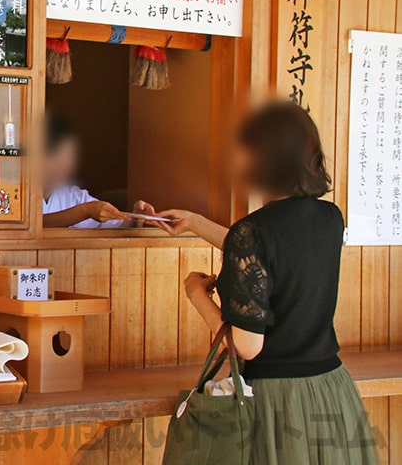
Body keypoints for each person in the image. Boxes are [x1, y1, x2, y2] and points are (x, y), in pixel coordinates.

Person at [154, 101, 377, 464]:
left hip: (276, 403)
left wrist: (197, 295)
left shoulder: (252, 231)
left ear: (266, 158)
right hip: (330, 389)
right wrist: (194, 222)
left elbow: (245, 346)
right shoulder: (329, 217)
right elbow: (275, 254)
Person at [42, 116, 153, 228]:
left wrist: (135, 220)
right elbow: (30, 227)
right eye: (62, 157)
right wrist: (84, 211)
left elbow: (115, 225)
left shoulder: (74, 195)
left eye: (72, 157)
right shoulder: (24, 193)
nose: (68, 165)